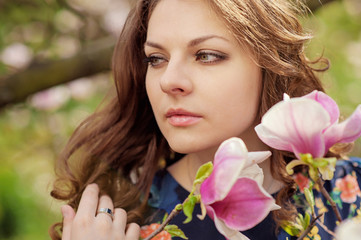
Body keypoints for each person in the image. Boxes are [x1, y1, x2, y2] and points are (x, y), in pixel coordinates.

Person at [49, 0, 361, 239]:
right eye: (156, 59)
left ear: (270, 65)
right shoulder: (120, 219)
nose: (168, 81)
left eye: (207, 55)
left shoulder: (351, 195)